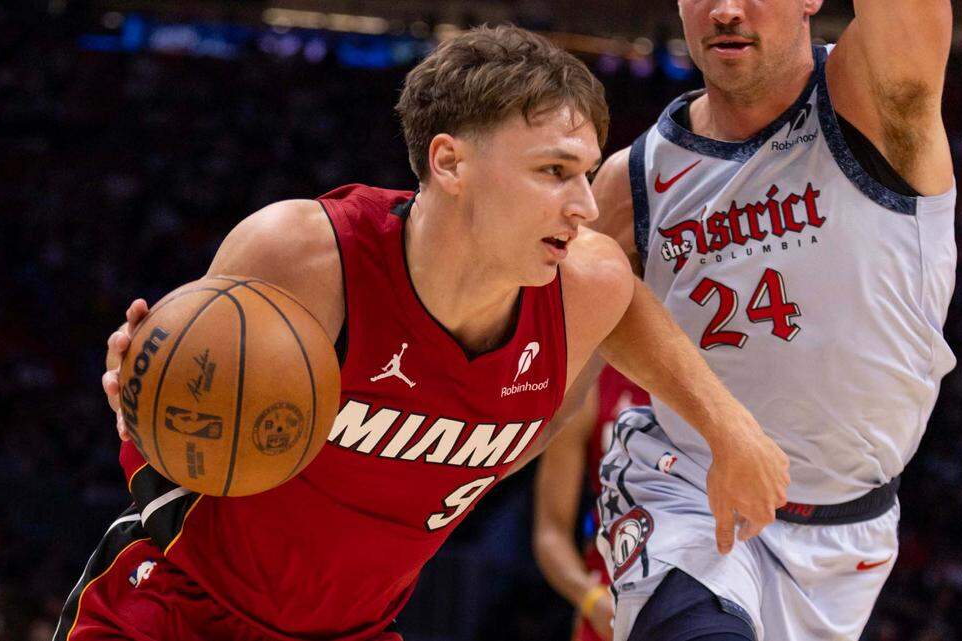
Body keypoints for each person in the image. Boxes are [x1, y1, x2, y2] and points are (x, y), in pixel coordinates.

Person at [56, 26, 789, 641]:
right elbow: (185, 383)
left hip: (355, 630)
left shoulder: (585, 286)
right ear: (449, 162)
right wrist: (145, 382)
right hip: (176, 606)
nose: (584, 206)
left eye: (586, 173)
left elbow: (627, 305)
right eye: (553, 171)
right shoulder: (304, 255)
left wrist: (729, 428)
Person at [587, 0, 957, 639]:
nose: (726, 10)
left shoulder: (871, 99)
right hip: (685, 489)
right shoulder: (630, 181)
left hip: (848, 529)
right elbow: (560, 350)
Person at [533, 366, 649, 641]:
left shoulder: (723, 372)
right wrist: (591, 599)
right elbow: (550, 533)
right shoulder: (591, 383)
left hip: (699, 584)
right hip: (611, 596)